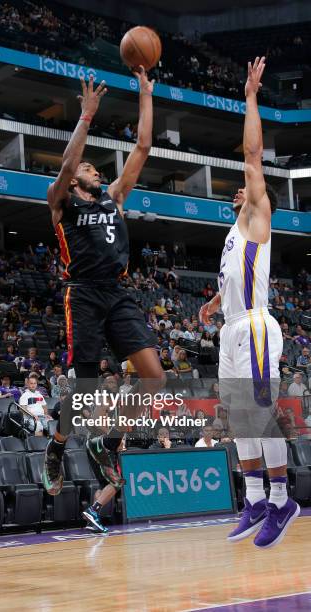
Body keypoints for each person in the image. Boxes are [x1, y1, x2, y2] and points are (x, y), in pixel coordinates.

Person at [43, 68, 165, 496]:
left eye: (96, 168)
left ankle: (107, 443)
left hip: (117, 292)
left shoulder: (113, 198)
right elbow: (67, 164)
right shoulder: (60, 201)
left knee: (155, 378)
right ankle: (56, 448)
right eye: (89, 168)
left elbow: (143, 146)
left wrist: (146, 94)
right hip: (84, 294)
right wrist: (86, 117)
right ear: (76, 179)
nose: (96, 171)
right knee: (82, 392)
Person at [200, 57, 299, 549]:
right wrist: (216, 302)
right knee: (239, 417)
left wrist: (251, 96)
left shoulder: (258, 216)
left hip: (257, 326)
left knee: (260, 412)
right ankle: (256, 498)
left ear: (262, 201)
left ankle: (282, 500)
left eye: (250, 188)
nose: (242, 188)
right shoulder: (236, 234)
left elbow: (253, 153)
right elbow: (237, 276)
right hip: (233, 327)